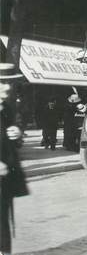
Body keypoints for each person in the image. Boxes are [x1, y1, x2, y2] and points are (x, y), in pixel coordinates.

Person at [0, 63, 29, 255]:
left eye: (9, 83)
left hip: (6, 173)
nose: (7, 87)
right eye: (2, 82)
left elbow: (14, 138)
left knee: (3, 217)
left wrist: (18, 133)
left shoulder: (7, 108)